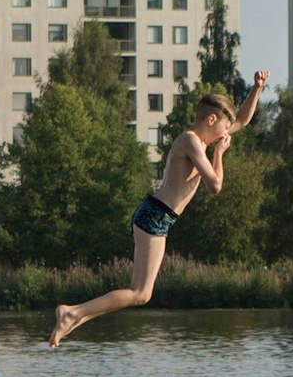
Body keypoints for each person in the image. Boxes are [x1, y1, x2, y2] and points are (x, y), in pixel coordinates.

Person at [48, 70, 270, 348]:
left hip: (160, 218)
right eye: (223, 130)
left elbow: (242, 121)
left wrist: (257, 89)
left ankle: (72, 320)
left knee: (142, 293)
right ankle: (72, 312)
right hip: (154, 216)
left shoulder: (202, 139)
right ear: (210, 120)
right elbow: (215, 185)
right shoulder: (191, 141)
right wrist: (220, 154)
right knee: (140, 292)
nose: (225, 135)